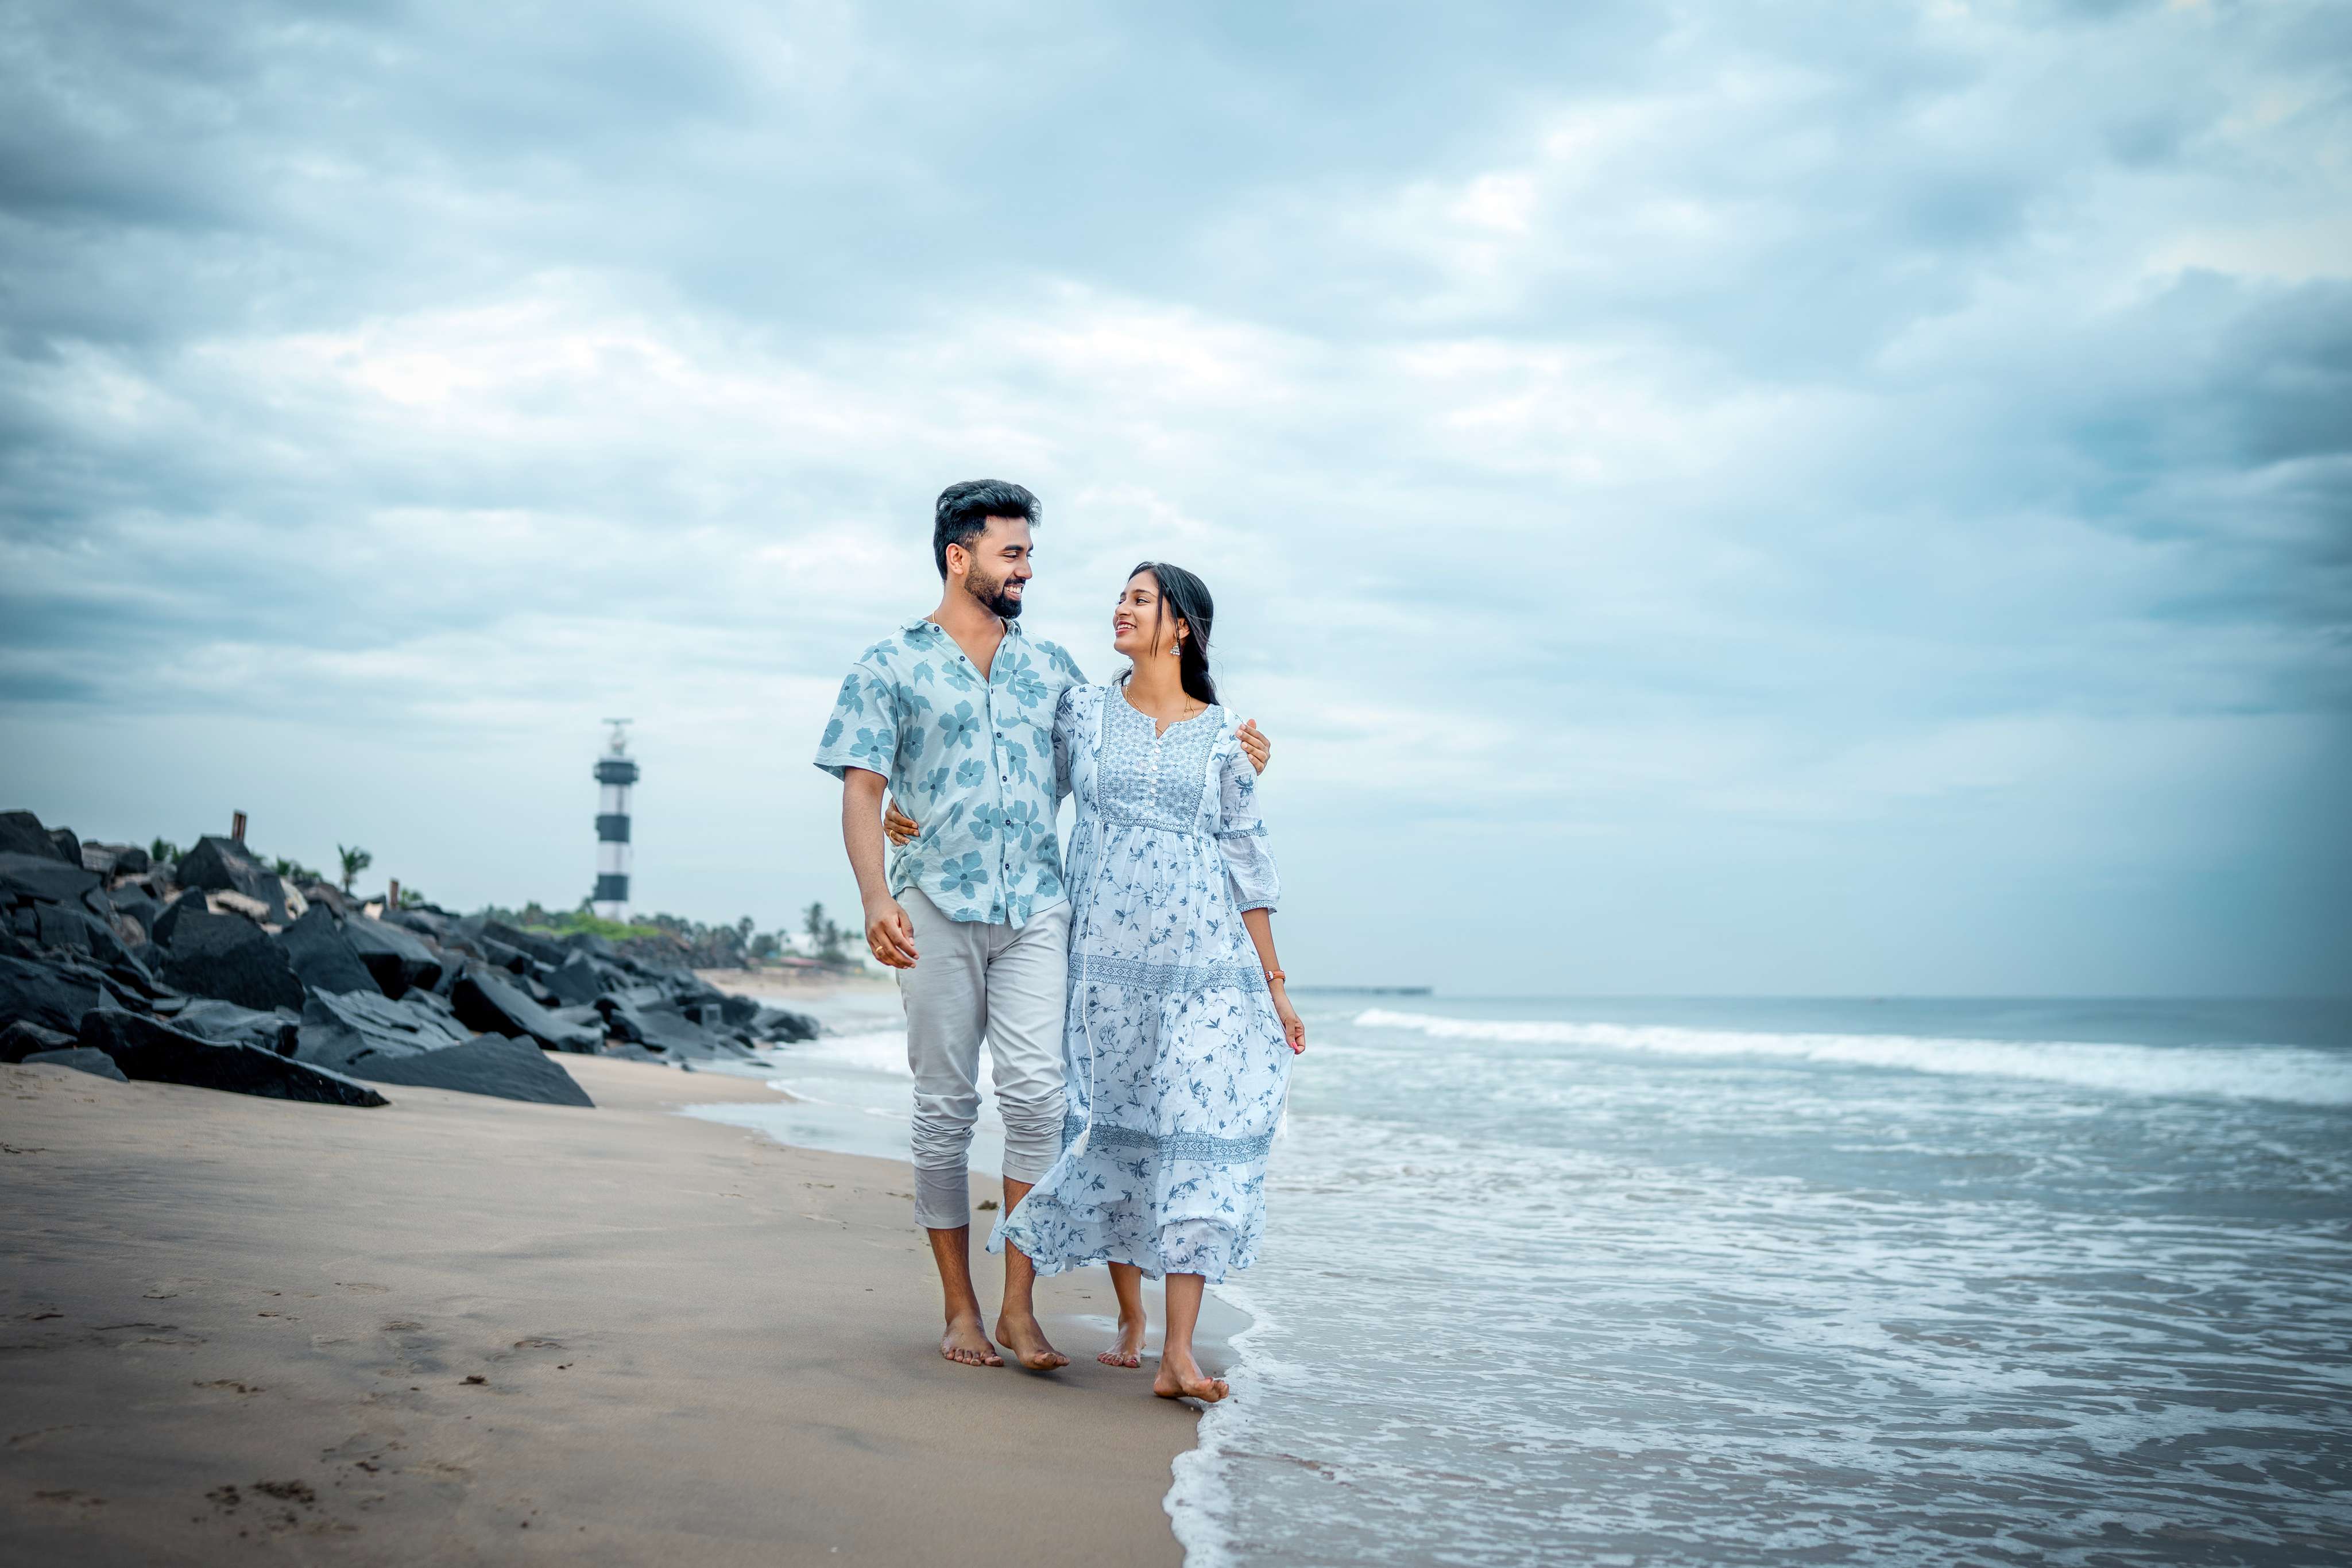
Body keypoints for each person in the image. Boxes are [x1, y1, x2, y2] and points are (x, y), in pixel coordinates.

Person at [813, 482, 1271, 1372]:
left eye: (1028, 552)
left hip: (1037, 910)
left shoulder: (1055, 674)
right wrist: (876, 894)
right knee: (945, 1108)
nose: (1027, 568)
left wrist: (1238, 754)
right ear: (961, 557)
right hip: (934, 909)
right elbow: (863, 788)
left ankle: (1020, 1308)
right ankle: (960, 1308)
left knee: (1040, 1103)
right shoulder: (889, 665)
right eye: (1012, 553)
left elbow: (1136, 751)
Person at [889, 562, 1305, 1404]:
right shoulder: (1083, 711)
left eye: (1140, 600)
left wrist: (1275, 983)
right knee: (1110, 1130)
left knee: (1192, 1137)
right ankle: (1108, 1314)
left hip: (1205, 970)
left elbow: (1246, 858)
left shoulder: (1226, 737)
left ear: (1181, 626)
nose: (1120, 609)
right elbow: (1003, 773)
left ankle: (1178, 1354)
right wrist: (911, 797)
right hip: (1102, 973)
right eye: (1120, 596)